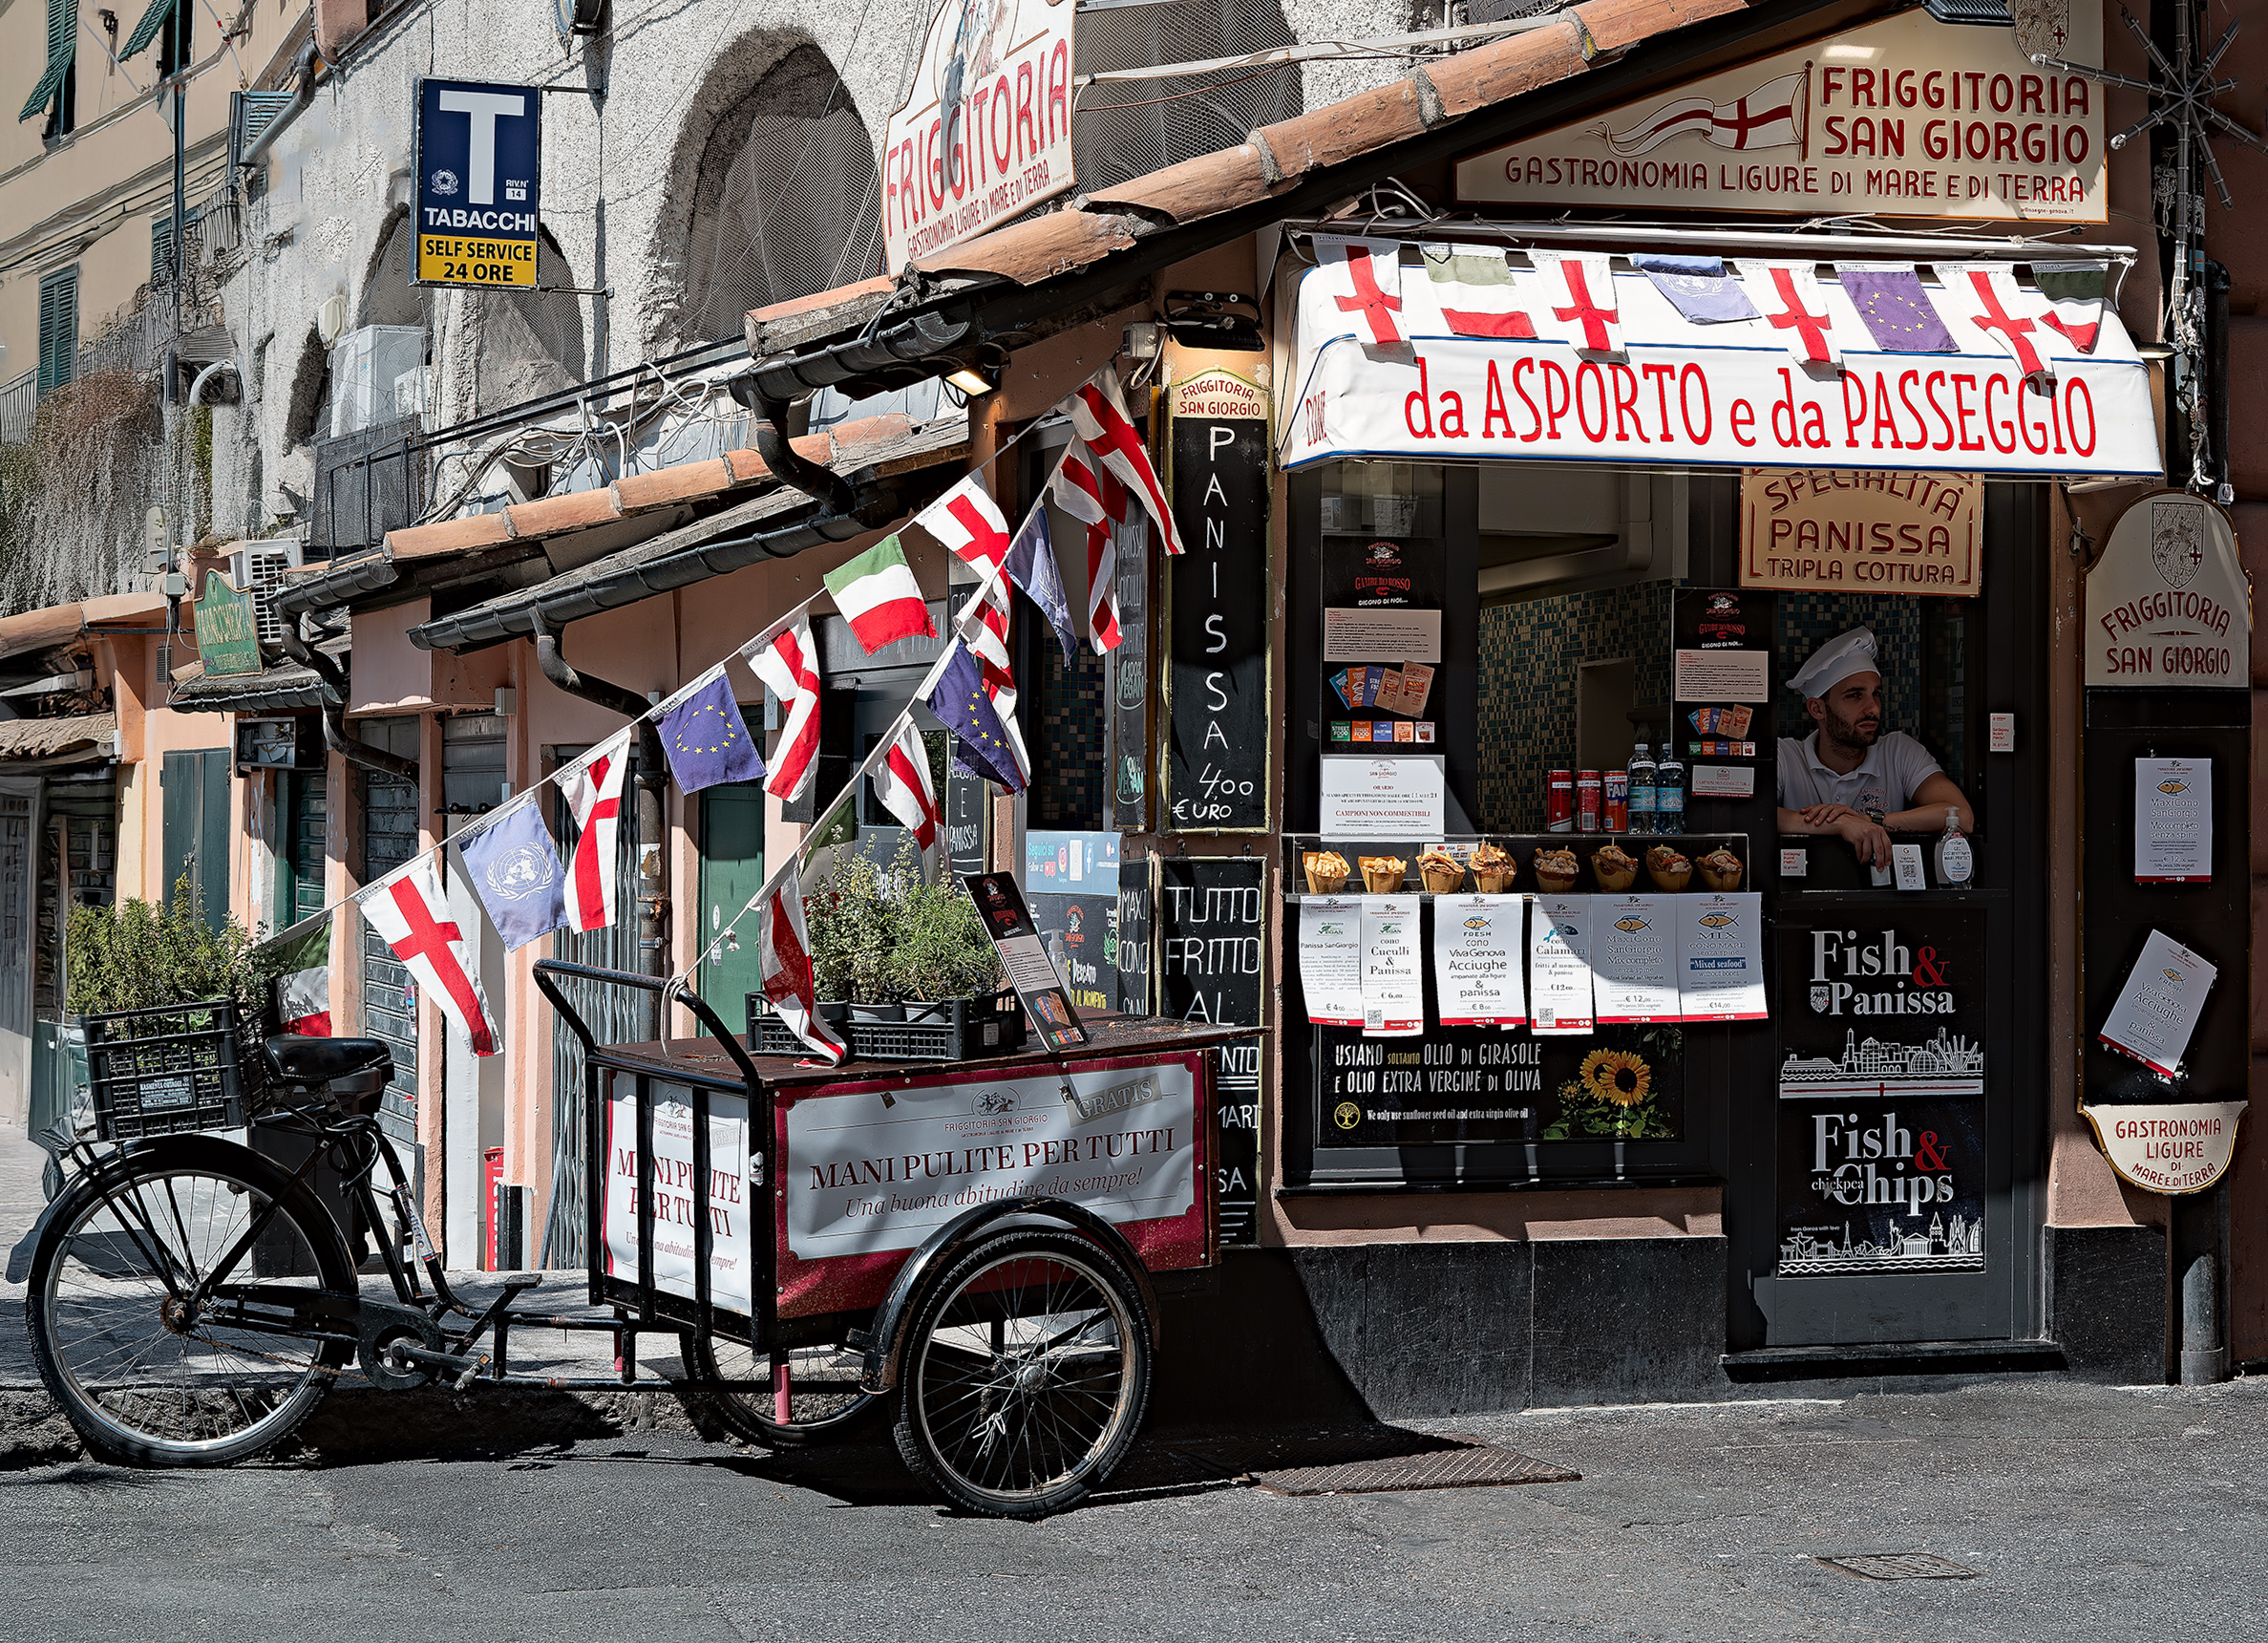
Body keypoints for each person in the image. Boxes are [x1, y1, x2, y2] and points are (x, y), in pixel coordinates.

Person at [1776, 627, 1975, 867]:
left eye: (1876, 694)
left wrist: (1868, 820)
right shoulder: (1785, 757)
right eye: (1855, 696)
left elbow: (1962, 817)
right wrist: (1841, 824)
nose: (1873, 708)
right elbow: (1757, 815)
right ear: (1817, 709)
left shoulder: (1898, 751)